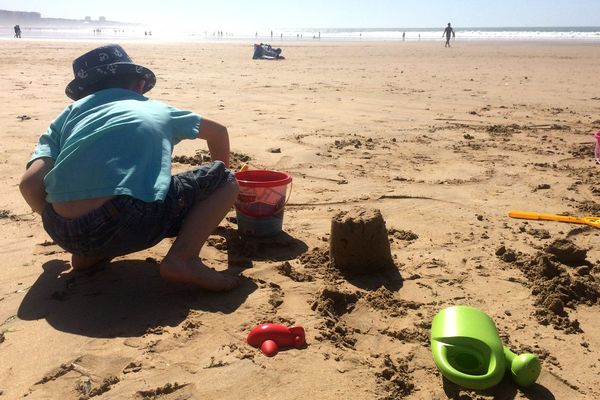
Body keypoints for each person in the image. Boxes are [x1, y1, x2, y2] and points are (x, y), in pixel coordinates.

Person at [19, 44, 240, 291]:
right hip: (131, 220)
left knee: (96, 205)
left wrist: (68, 221)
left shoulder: (67, 116)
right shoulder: (155, 108)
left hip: (64, 231)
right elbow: (219, 132)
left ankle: (88, 254)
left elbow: (29, 184)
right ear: (138, 86)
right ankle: (183, 259)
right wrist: (220, 186)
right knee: (225, 179)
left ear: (82, 96)